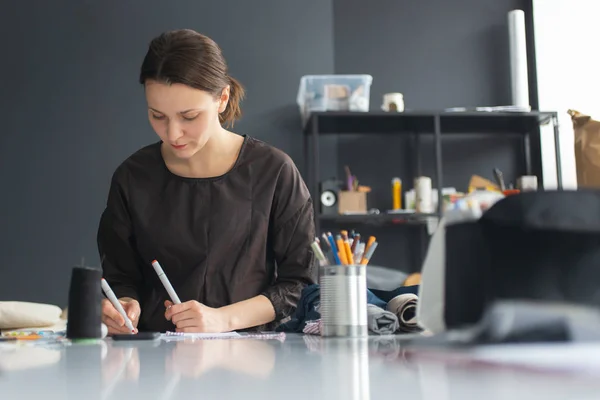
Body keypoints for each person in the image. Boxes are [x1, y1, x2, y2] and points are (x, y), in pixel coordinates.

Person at [98, 29, 316, 334]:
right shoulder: (133, 177)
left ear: (222, 99)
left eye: (188, 117)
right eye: (157, 116)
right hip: (155, 361)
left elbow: (299, 283)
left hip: (250, 362)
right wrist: (124, 304)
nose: (172, 133)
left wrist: (222, 319)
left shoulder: (274, 171)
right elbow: (121, 275)